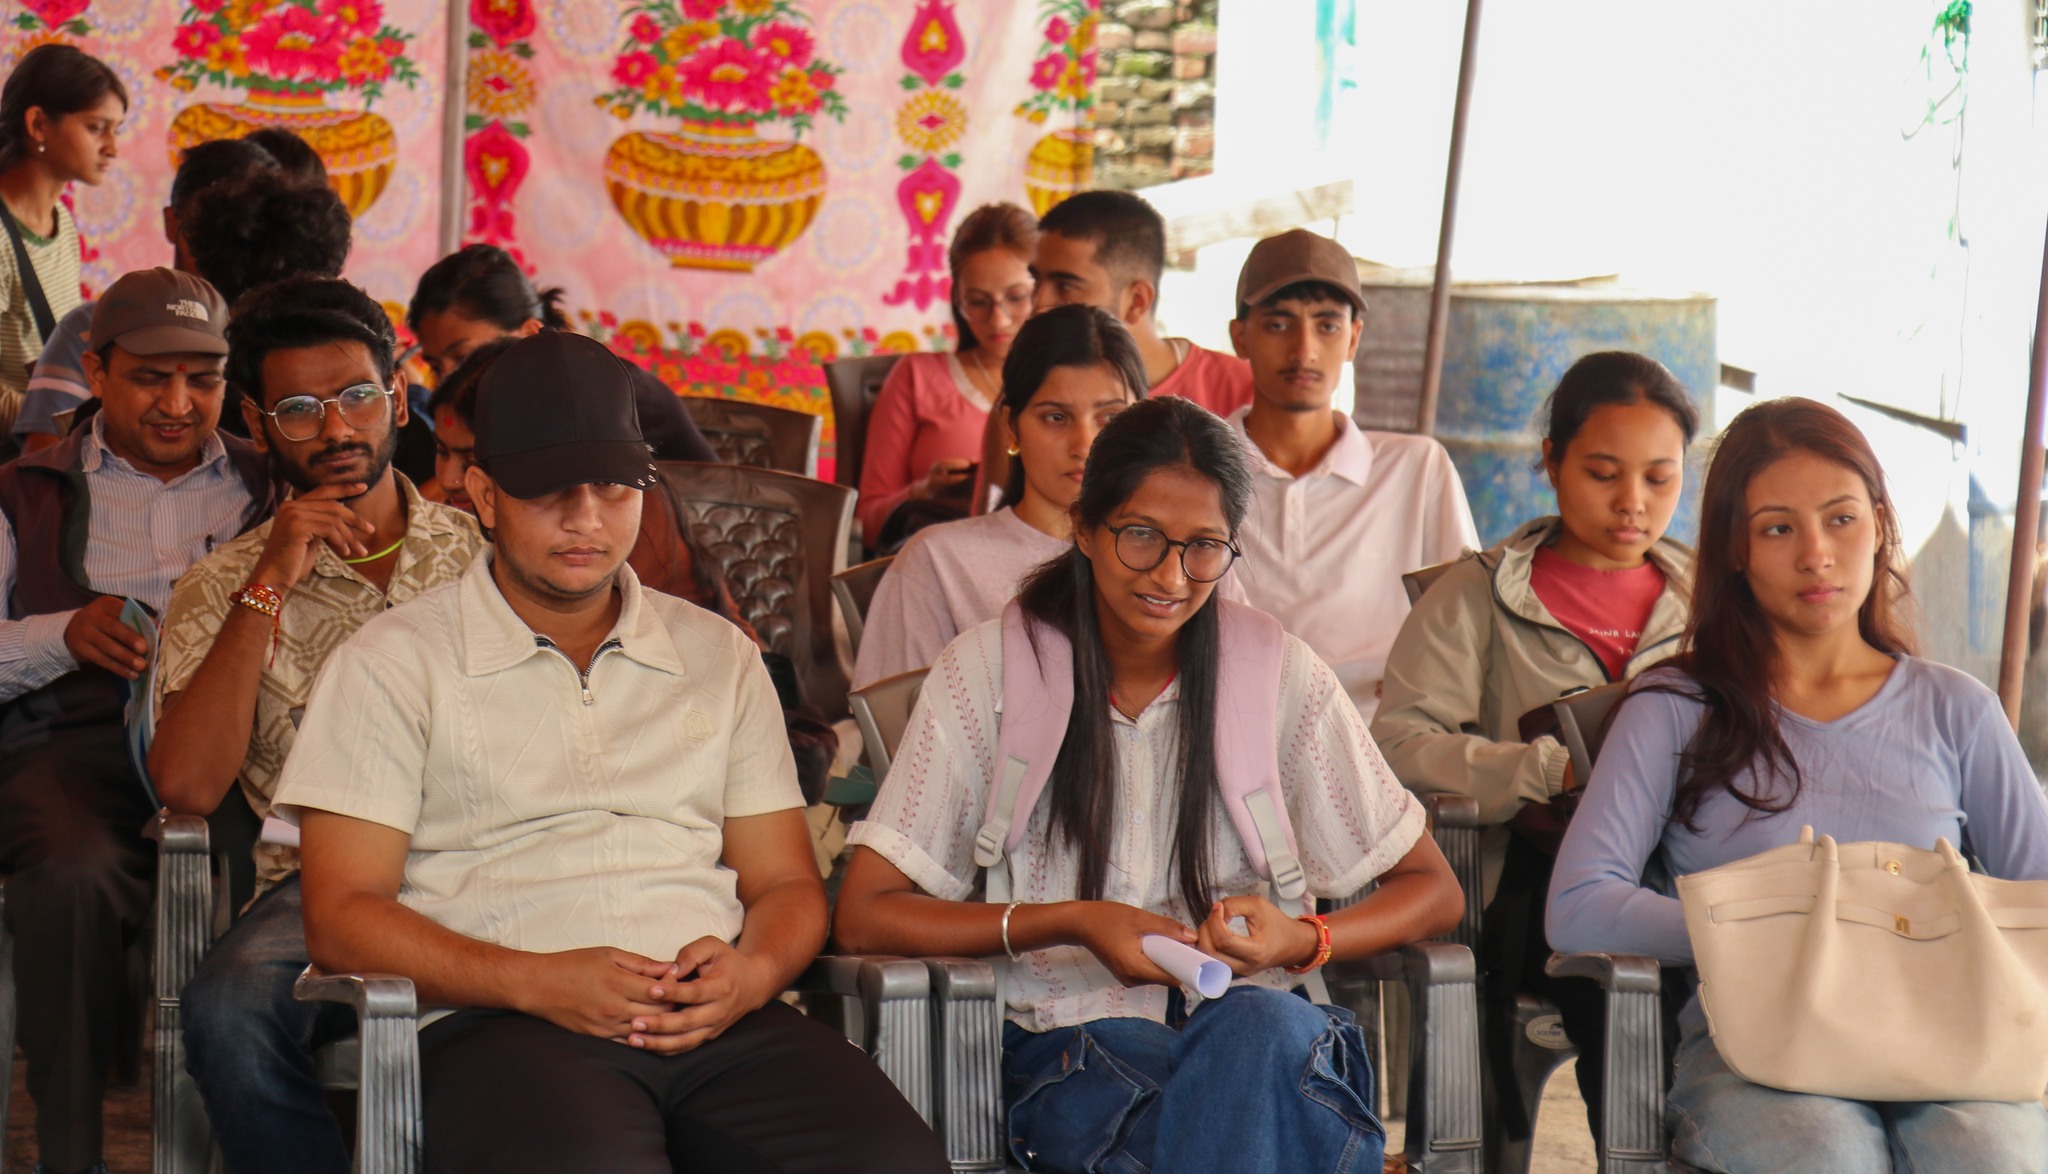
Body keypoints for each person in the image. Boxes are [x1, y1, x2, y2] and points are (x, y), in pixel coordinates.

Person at [272, 331, 946, 1172]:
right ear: (484, 495)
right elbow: (342, 917)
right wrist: (534, 980)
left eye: (613, 488)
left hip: (715, 1021)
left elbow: (784, 884)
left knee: (893, 1161)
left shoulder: (717, 655)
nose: (586, 518)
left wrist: (751, 973)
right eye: (548, 490)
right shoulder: (393, 662)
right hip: (502, 1025)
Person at [834, 394, 1463, 1174]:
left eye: (1204, 547)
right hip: (1071, 1051)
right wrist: (1072, 921)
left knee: (1257, 1030)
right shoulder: (991, 673)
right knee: (1256, 1102)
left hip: (1262, 1039)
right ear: (1084, 527)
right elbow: (865, 913)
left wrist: (1303, 939)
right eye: (1141, 536)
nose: (1170, 575)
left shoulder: (1279, 676)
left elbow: (1433, 889)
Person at [1548, 397, 2048, 1172]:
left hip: (1951, 1046)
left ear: (1879, 525)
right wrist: (1783, 933)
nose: (1816, 554)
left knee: (1992, 1157)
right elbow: (1580, 905)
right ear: (1736, 550)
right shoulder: (1675, 707)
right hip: (1755, 1056)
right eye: (1778, 529)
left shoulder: (1958, 710)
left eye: (1841, 519)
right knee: (1825, 1157)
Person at [147, 275, 483, 1174]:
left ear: (398, 398)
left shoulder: (486, 554)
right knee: (226, 1012)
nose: (336, 429)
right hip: (326, 881)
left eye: (358, 397)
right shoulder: (222, 585)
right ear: (256, 426)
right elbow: (186, 786)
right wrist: (271, 581)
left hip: (500, 850)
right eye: (299, 410)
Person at [1371, 350, 1698, 1137]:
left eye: (1659, 478)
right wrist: (1539, 769)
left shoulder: (1711, 597)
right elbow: (1398, 744)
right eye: (1603, 473)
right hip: (1533, 885)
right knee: (1624, 992)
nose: (1632, 502)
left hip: (1689, 873)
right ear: (1551, 461)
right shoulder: (1478, 595)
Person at [0, 268, 273, 1174]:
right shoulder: (23, 491)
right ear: (96, 371)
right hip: (74, 748)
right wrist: (60, 635)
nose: (178, 404)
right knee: (72, 872)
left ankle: (254, 1144)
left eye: (203, 379)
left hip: (243, 749)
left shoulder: (270, 485)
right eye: (151, 378)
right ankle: (70, 1146)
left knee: (278, 883)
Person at [1225, 229, 1477, 726]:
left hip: (1380, 739)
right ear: (1240, 337)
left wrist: (1418, 681)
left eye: (1327, 326)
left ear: (1354, 338)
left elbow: (1465, 629)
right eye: (1278, 324)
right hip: (1235, 730)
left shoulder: (1416, 470)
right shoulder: (1198, 473)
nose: (1304, 350)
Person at [853, 304, 1140, 686]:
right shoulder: (939, 564)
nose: (1084, 444)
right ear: (1011, 426)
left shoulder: (1177, 558)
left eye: (1110, 418)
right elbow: (897, 721)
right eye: (1056, 417)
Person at [972, 190, 1255, 506]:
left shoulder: (1242, 392)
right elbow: (992, 527)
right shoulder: (1024, 402)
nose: (1038, 304)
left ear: (1136, 301)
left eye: (1065, 286)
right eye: (1037, 282)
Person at [13, 137, 280, 453]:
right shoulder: (93, 328)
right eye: (148, 377)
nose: (176, 407)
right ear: (172, 222)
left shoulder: (275, 337)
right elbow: (41, 463)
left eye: (247, 230)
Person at [406, 242, 714, 463]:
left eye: (463, 358)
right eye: (436, 367)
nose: (448, 379)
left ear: (529, 334)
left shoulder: (592, 389)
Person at [856, 202, 1035, 545]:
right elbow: (866, 524)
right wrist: (924, 491)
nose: (998, 319)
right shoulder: (917, 377)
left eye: (1016, 297)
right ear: (957, 299)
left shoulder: (1070, 385)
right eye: (978, 302)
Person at [0, 44, 126, 453]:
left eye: (116, 130)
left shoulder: (61, 221)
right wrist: (58, 422)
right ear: (38, 124)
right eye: (96, 128)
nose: (112, 147)